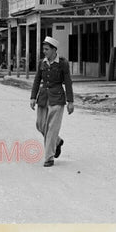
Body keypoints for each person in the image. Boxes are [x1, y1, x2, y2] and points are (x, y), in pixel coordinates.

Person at [30, 37, 74, 167]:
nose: (44, 51)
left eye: (46, 49)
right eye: (43, 49)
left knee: (52, 128)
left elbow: (68, 82)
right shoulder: (41, 63)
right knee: (40, 125)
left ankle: (49, 157)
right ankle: (57, 141)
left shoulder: (62, 63)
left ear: (54, 50)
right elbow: (37, 81)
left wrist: (70, 101)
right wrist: (33, 97)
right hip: (43, 98)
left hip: (57, 99)